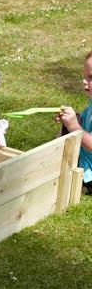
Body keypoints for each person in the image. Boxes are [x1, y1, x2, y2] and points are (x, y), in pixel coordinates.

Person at [56, 51, 92, 191]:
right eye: (85, 76)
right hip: (82, 158)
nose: (84, 81)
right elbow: (84, 123)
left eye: (91, 77)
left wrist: (74, 126)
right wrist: (70, 120)